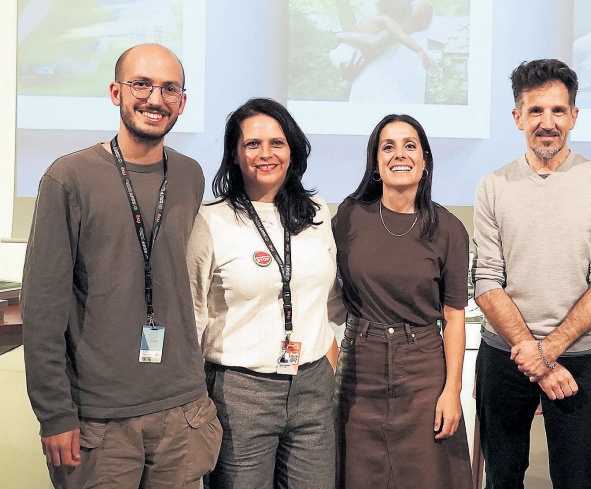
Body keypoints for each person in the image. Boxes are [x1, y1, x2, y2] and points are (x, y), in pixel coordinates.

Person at [20, 43, 221, 488]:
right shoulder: (68, 178)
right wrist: (54, 414)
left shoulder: (190, 175)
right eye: (141, 85)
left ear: (182, 102)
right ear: (116, 92)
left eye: (169, 89)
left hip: (182, 410)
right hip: (99, 418)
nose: (155, 99)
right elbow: (42, 308)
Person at [472, 58, 591, 489]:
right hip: (504, 356)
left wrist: (548, 351)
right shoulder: (493, 185)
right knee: (501, 478)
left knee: (577, 480)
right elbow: (486, 279)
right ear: (517, 117)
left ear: (574, 116)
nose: (548, 122)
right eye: (536, 110)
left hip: (579, 357)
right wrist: (533, 353)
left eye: (558, 111)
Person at [187, 97, 345, 488]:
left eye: (277, 142)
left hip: (312, 387)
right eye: (252, 144)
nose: (265, 153)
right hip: (239, 394)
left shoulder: (317, 212)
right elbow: (193, 314)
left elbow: (328, 299)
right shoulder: (211, 220)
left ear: (292, 150)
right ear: (235, 155)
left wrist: (327, 362)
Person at [332, 114, 472, 488]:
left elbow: (454, 317)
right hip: (360, 367)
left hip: (424, 370)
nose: (399, 154)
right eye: (388, 147)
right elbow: (324, 293)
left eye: (410, 145)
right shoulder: (349, 217)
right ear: (376, 163)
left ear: (425, 161)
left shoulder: (448, 228)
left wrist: (452, 391)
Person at [331, 0, 433, 103]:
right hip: (366, 90)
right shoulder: (377, 10)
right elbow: (360, 51)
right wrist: (349, 68)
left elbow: (374, 44)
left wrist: (343, 36)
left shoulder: (420, 7)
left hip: (395, 95)